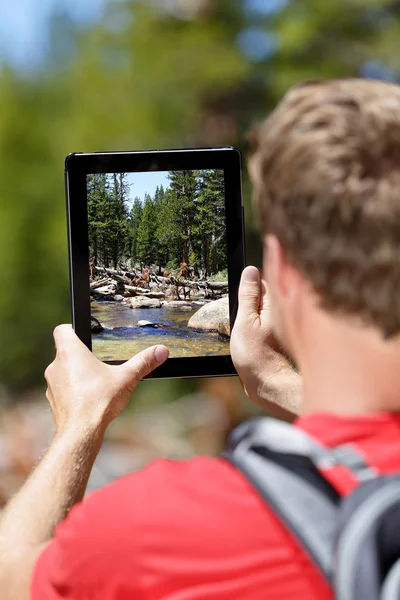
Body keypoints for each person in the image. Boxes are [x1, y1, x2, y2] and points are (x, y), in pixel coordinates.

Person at [2, 78, 400, 600]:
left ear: (278, 270)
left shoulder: (162, 529)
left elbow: (10, 578)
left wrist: (80, 423)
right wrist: (279, 382)